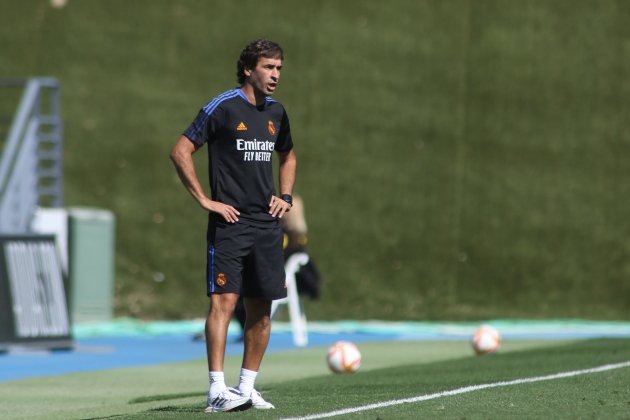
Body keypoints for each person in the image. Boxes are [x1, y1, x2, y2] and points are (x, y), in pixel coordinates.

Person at [169, 39, 296, 413]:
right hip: (231, 224)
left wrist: (285, 197)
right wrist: (206, 201)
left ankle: (245, 388)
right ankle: (216, 390)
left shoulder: (277, 112)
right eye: (268, 67)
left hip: (268, 225)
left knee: (262, 308)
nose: (275, 76)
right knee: (224, 303)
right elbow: (180, 151)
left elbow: (288, 155)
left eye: (279, 69)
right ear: (248, 69)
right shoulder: (222, 107)